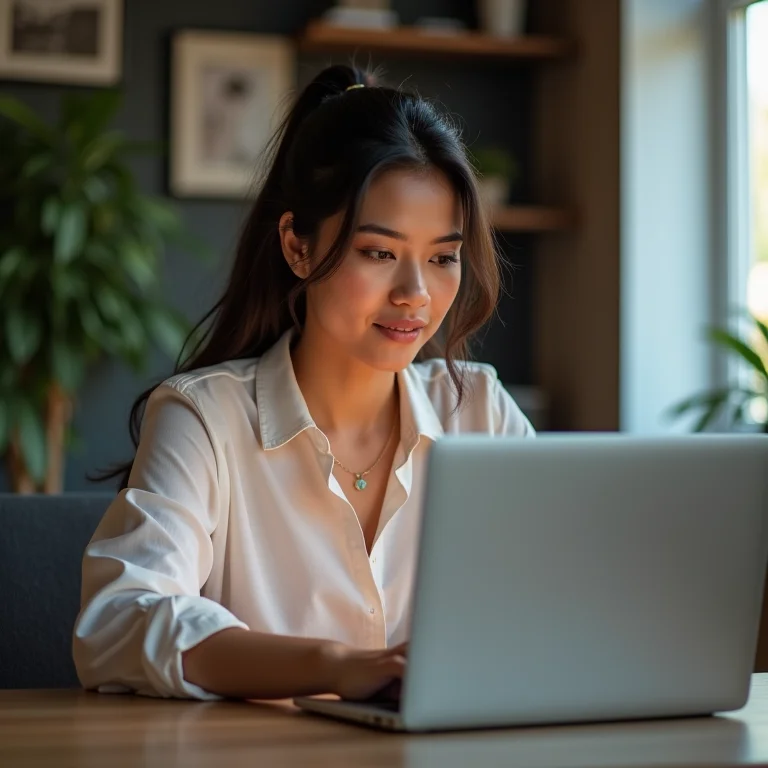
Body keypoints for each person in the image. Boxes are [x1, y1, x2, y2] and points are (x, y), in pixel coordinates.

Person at [73, 65, 535, 703]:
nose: (416, 295)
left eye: (442, 257)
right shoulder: (204, 419)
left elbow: (558, 602)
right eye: (378, 252)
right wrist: (336, 666)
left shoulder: (480, 413)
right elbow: (120, 622)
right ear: (298, 246)